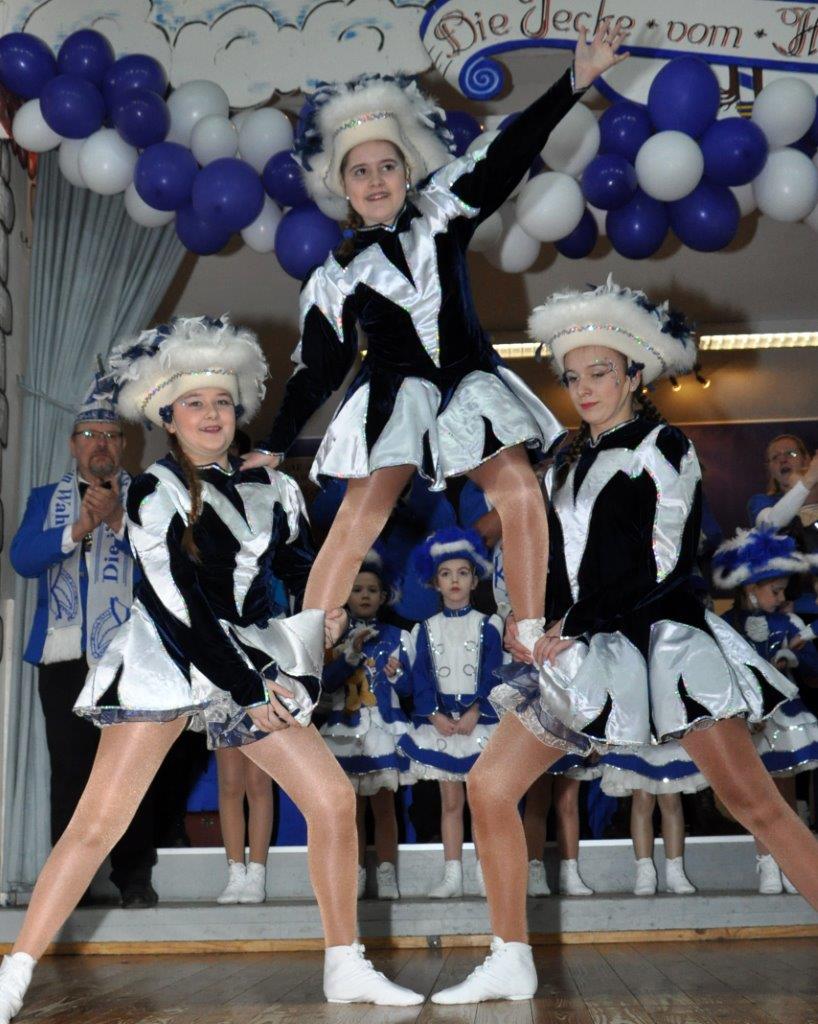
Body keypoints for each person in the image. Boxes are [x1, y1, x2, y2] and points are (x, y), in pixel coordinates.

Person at [0, 316, 423, 1023]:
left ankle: (345, 965)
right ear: (168, 417)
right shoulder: (153, 491)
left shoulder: (274, 488)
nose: (210, 414)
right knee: (97, 824)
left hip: (247, 657)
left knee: (330, 800)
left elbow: (298, 570)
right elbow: (179, 608)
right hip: (172, 657)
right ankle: (14, 973)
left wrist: (334, 616)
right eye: (193, 403)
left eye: (222, 402)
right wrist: (250, 688)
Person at [430, 278, 818, 1005]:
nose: (584, 388)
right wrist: (531, 618)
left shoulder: (666, 447)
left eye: (600, 372)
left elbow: (663, 563)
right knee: (488, 786)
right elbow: (548, 558)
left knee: (755, 804)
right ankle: (511, 956)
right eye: (573, 376)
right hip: (577, 652)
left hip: (666, 645)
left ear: (635, 375)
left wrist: (572, 622)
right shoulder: (563, 458)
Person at [242, 26, 629, 662]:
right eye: (360, 171)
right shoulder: (335, 276)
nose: (375, 181)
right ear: (342, 185)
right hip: (396, 396)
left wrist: (574, 83)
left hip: (469, 382)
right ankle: (306, 643)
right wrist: (277, 443)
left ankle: (529, 630)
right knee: (361, 513)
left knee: (520, 491)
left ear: (407, 171)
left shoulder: (443, 209)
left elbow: (508, 151)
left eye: (387, 167)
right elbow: (320, 368)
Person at [10, 380, 158, 908]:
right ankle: (72, 884)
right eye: (90, 435)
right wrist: (78, 527)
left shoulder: (147, 495)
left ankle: (133, 877)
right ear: (74, 444)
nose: (101, 444)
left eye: (111, 435)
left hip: (130, 655)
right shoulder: (44, 499)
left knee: (130, 770)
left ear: (124, 445)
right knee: (70, 770)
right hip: (64, 657)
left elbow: (168, 565)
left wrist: (116, 519)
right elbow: (24, 560)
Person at [398, 527, 502, 898]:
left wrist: (476, 710)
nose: (454, 580)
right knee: (451, 802)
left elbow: (493, 673)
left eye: (462, 573)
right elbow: (421, 677)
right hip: (442, 725)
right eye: (446, 574)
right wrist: (433, 715)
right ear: (434, 582)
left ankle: (486, 873)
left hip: (479, 724)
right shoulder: (424, 629)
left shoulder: (490, 625)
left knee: (483, 802)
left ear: (475, 579)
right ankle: (452, 875)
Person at [714, 526, 818, 894]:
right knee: (759, 795)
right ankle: (766, 865)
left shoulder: (789, 623)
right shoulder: (728, 627)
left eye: (784, 590)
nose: (782, 597)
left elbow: (813, 667)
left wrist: (795, 654)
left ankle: (791, 864)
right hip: (749, 720)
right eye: (775, 590)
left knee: (784, 794)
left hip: (785, 718)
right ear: (750, 589)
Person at [320, 547, 414, 900]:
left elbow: (409, 689)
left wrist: (397, 674)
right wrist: (350, 655)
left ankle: (386, 872)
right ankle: (355, 873)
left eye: (372, 590)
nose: (364, 596)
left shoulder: (399, 637)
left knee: (385, 806)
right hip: (344, 732)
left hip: (383, 732)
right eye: (357, 590)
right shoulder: (332, 637)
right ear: (346, 596)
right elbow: (326, 685)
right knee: (351, 809)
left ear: (383, 596)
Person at [748, 435, 818, 546]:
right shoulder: (761, 501)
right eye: (775, 457)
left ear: (806, 460)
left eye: (791, 453)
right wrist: (810, 479)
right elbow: (769, 525)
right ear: (771, 470)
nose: (782, 460)